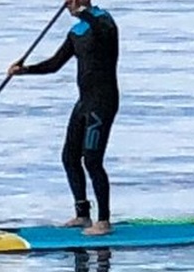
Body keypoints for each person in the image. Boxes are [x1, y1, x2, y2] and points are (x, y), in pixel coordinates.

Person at [9, 0, 119, 236]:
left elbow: (101, 30)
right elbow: (55, 64)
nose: (66, 5)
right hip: (84, 102)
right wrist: (25, 70)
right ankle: (82, 214)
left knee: (92, 160)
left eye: (69, 2)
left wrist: (84, 12)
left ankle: (104, 221)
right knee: (69, 157)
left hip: (103, 102)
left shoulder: (104, 21)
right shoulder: (76, 32)